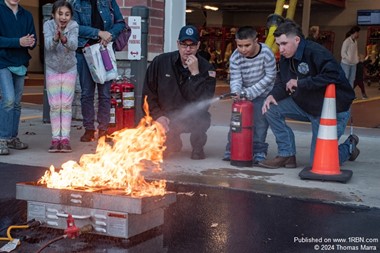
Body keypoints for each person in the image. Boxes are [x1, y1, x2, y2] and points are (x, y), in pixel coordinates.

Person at [259, 19, 359, 169]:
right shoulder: (286, 58)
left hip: (331, 111)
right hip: (306, 105)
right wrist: (273, 95)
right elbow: (282, 83)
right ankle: (287, 154)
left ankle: (350, 147)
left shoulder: (316, 52)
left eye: (284, 44)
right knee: (271, 108)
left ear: (297, 40)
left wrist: (301, 83)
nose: (281, 49)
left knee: (320, 162)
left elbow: (334, 75)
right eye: (279, 44)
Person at [143, 25, 216, 160]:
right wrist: (158, 115)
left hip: (192, 117)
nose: (188, 50)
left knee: (203, 117)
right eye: (184, 45)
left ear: (198, 45)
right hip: (167, 116)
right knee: (165, 152)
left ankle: (197, 147)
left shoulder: (207, 68)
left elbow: (204, 102)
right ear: (178, 44)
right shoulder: (160, 62)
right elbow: (148, 93)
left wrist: (195, 74)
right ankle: (173, 141)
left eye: (192, 45)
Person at [72, 0, 125, 142]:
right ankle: (89, 129)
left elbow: (120, 23)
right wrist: (99, 33)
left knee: (105, 94)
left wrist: (109, 35)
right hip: (84, 52)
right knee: (87, 93)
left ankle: (104, 130)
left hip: (105, 51)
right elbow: (75, 27)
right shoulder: (76, 3)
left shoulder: (108, 2)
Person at [222, 26, 276, 164]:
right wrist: (236, 91)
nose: (243, 49)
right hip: (243, 94)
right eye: (239, 45)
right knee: (236, 122)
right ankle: (232, 148)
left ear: (256, 41)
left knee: (260, 122)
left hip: (263, 93)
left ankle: (258, 151)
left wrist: (250, 92)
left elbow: (270, 76)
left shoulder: (266, 53)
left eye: (247, 45)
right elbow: (235, 78)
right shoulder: (235, 56)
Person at [0, 0, 36, 155]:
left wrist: (31, 42)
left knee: (16, 103)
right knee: (8, 99)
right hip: (3, 62)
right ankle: (2, 138)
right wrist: (18, 42)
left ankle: (12, 138)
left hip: (20, 62)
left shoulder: (26, 15)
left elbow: (33, 40)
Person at [44, 0, 78, 153]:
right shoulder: (48, 25)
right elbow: (48, 46)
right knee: (55, 105)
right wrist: (56, 38)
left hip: (69, 68)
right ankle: (55, 138)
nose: (63, 17)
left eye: (67, 14)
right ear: (53, 15)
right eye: (60, 14)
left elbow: (74, 45)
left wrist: (64, 38)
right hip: (52, 68)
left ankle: (65, 139)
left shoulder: (74, 26)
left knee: (66, 105)